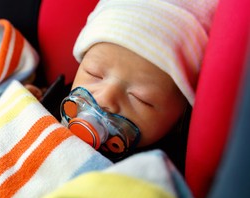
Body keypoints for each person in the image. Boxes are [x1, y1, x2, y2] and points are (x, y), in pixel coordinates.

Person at [27, 0, 218, 171]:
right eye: (94, 74)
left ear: (179, 119)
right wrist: (36, 101)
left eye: (140, 98)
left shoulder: (162, 167)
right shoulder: (64, 99)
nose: (104, 98)